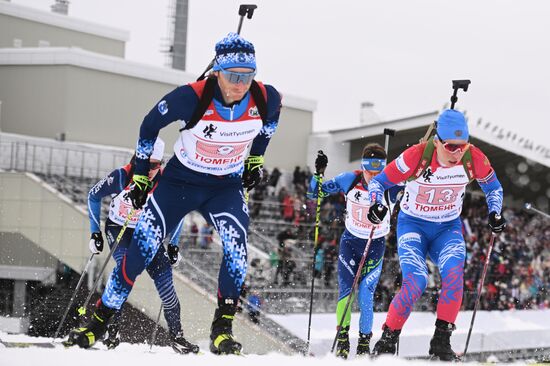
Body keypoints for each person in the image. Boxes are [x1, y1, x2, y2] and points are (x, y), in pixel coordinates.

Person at [67, 32, 282, 355]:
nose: (241, 84)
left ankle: (221, 329)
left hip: (225, 186)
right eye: (233, 76)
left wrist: (255, 159)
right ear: (217, 72)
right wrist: (140, 177)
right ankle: (99, 321)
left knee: (238, 251)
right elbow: (148, 125)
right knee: (140, 250)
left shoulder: (267, 98)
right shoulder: (190, 97)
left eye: (248, 76)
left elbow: (268, 127)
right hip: (180, 183)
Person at [366, 109, 506, 360]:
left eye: (462, 146)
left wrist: (495, 213)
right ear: (437, 141)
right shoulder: (415, 156)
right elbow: (379, 183)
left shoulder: (472, 157)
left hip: (447, 228)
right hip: (413, 226)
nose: (457, 152)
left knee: (454, 276)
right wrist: (376, 204)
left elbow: (494, 187)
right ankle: (387, 341)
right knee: (416, 282)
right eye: (451, 146)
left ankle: (441, 341)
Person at [71, 137, 198, 353]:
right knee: (123, 272)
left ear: (161, 165)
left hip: (148, 232)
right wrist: (95, 233)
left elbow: (179, 213)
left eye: (154, 166)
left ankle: (177, 336)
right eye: (145, 164)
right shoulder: (122, 176)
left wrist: (173, 245)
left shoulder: (167, 183)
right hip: (119, 228)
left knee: (166, 283)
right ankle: (112, 328)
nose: (149, 170)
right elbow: (93, 195)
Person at [307, 143, 402, 359]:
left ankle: (363, 343)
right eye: (369, 171)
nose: (373, 177)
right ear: (363, 167)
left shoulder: (393, 185)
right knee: (346, 292)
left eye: (378, 172)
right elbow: (315, 193)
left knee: (366, 295)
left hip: (375, 247)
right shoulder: (349, 179)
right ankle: (342, 341)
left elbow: (415, 184)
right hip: (350, 244)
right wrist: (318, 173)